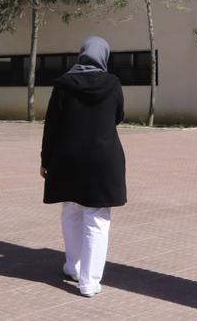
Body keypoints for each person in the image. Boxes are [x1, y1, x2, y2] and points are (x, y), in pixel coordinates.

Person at [40, 36, 126, 298]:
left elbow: (51, 124)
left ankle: (72, 266)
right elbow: (118, 116)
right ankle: (89, 282)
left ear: (81, 54)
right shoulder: (112, 84)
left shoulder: (63, 83)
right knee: (96, 218)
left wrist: (46, 160)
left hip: (67, 159)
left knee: (71, 210)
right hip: (102, 159)